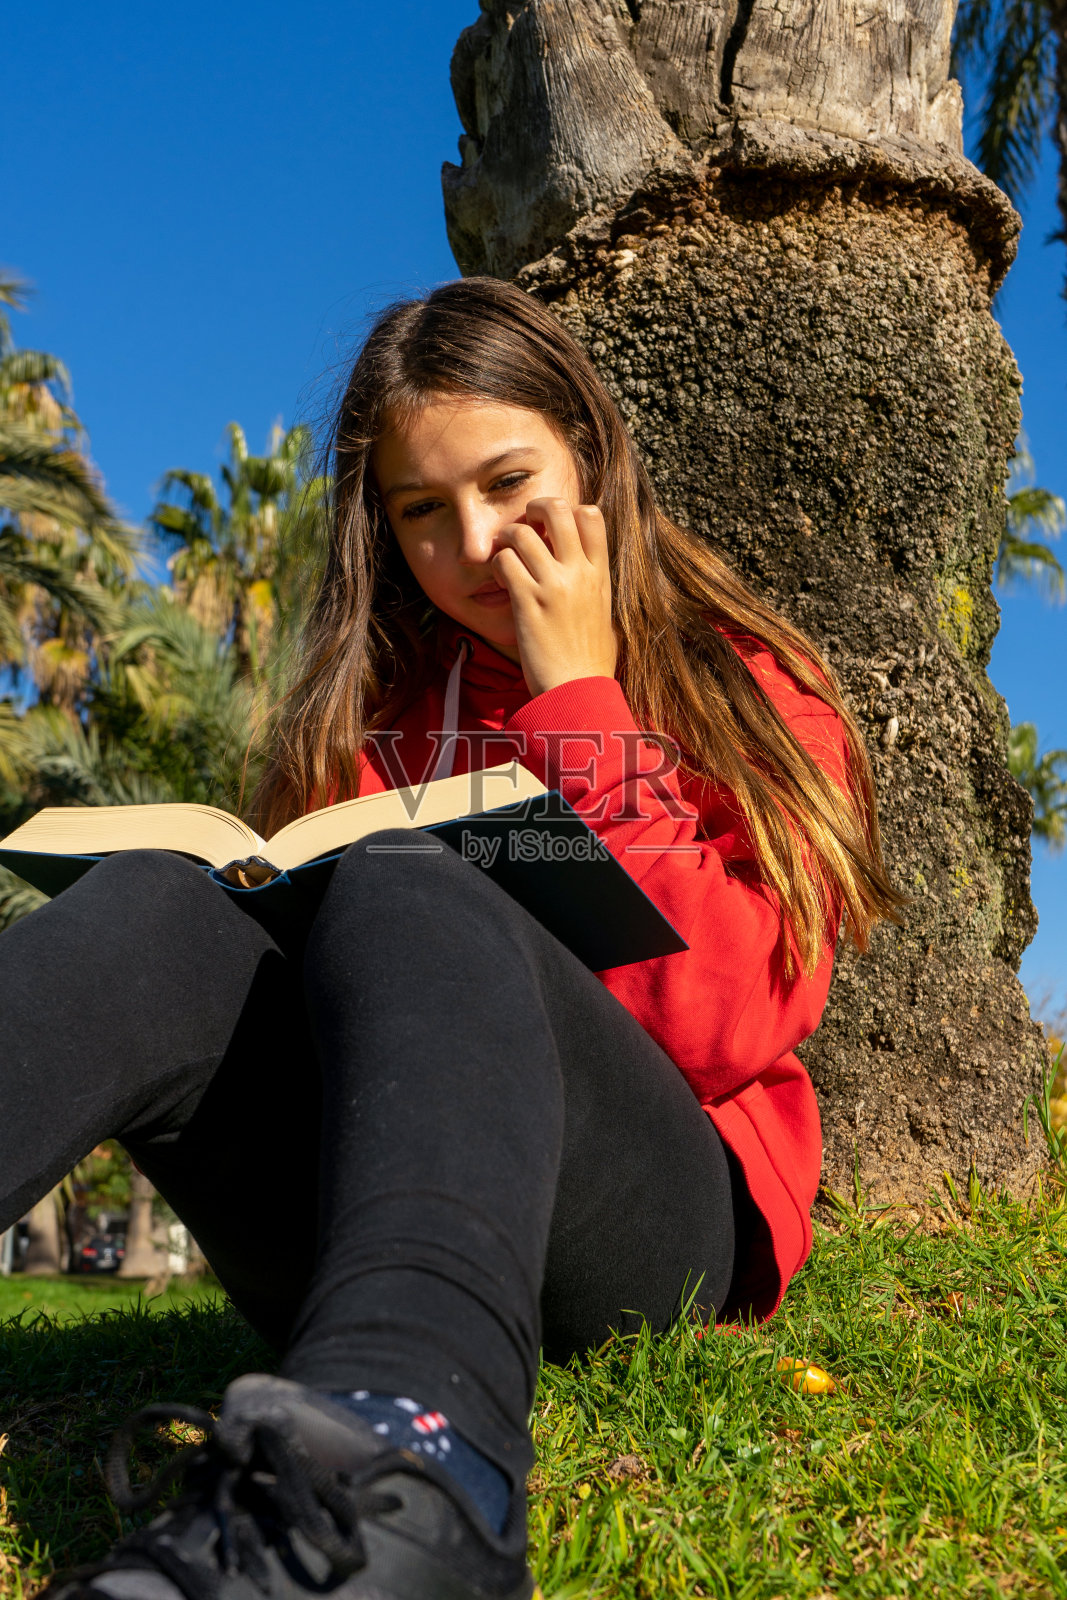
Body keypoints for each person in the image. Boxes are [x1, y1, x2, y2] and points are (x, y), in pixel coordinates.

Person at [2, 277, 901, 1600]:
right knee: (158, 902)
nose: (473, 543)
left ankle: (414, 1481)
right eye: (422, 513)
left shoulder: (746, 682)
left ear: (593, 461)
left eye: (509, 485)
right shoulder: (367, 722)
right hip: (368, 1200)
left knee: (406, 879)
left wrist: (581, 702)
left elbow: (728, 1028)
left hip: (654, 1219)